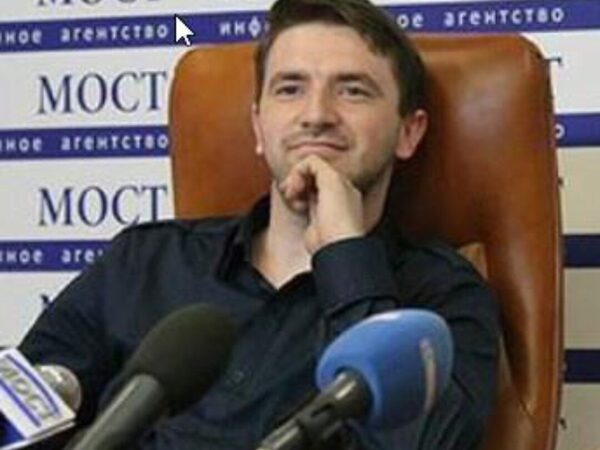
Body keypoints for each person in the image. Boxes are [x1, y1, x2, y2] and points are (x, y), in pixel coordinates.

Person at [20, 0, 499, 448]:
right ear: (257, 125)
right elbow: (19, 416)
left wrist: (345, 256)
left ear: (408, 132)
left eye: (353, 90)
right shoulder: (143, 261)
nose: (316, 115)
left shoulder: (441, 295)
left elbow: (429, 441)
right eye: (290, 89)